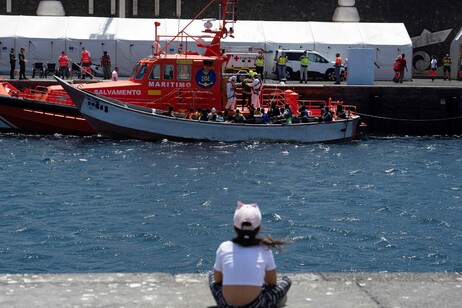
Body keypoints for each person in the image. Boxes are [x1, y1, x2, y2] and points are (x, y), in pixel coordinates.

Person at [209, 201, 292, 308]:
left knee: (211, 276)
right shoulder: (264, 249)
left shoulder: (224, 247)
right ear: (258, 229)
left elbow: (217, 279)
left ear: (234, 227)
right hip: (256, 305)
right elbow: (272, 282)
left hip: (226, 305)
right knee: (285, 280)